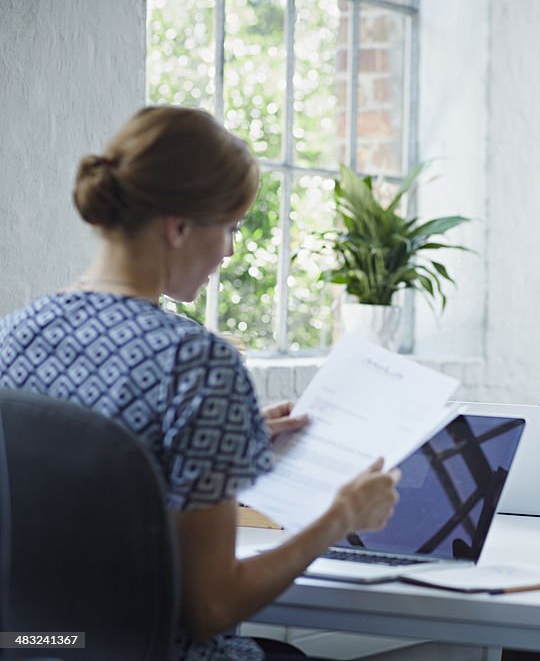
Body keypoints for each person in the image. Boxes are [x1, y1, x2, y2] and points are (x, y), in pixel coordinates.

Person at [0, 106, 400, 661]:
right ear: (179, 226)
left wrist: (231, 435)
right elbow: (210, 609)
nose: (231, 251)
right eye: (231, 227)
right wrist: (340, 519)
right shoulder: (196, 364)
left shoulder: (11, 336)